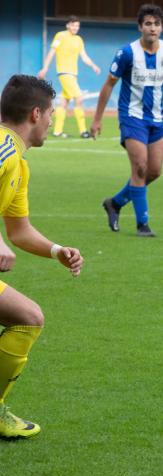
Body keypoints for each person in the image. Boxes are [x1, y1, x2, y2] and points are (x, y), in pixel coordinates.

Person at [0, 75, 84, 439]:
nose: (52, 121)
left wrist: (55, 251)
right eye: (51, 113)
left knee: (28, 317)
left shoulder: (18, 163)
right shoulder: (3, 148)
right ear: (36, 114)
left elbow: (18, 230)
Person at [91, 4, 163, 237]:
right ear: (140, 27)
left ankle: (115, 203)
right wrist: (97, 119)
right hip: (131, 117)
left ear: (162, 28)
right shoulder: (127, 53)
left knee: (154, 171)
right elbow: (108, 85)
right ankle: (142, 224)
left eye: (157, 24)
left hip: (157, 119)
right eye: (148, 23)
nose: (152, 28)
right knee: (140, 167)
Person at [37, 15, 101, 139]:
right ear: (68, 25)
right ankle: (83, 131)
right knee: (79, 98)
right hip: (64, 73)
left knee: (64, 103)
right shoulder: (60, 36)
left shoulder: (79, 40)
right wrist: (45, 68)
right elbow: (52, 52)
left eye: (77, 25)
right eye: (73, 25)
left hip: (73, 74)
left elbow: (84, 56)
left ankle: (57, 131)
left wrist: (93, 65)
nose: (75, 27)